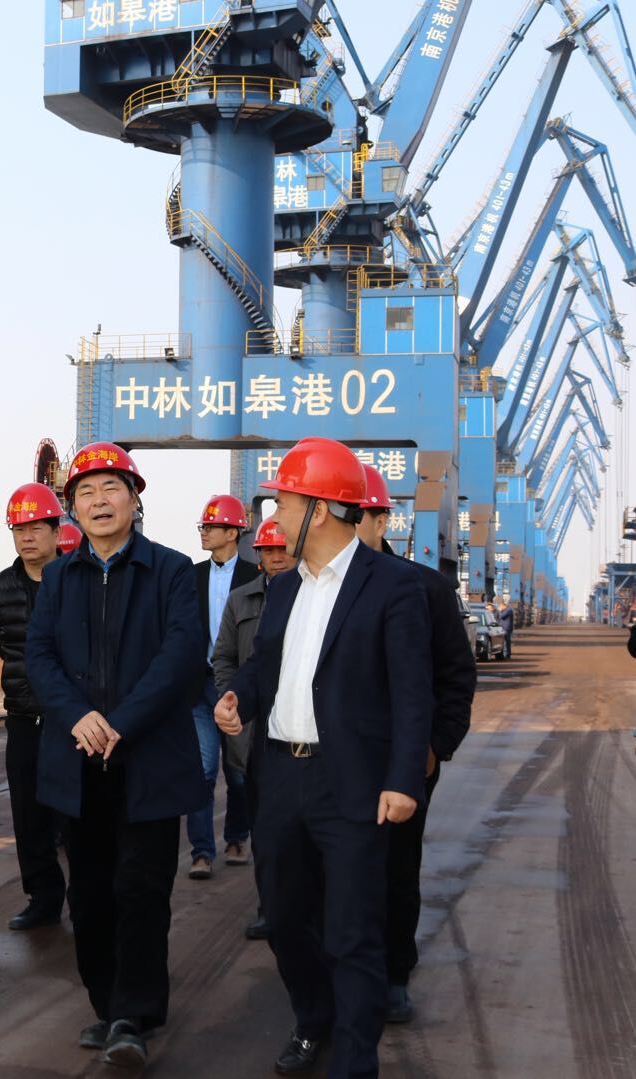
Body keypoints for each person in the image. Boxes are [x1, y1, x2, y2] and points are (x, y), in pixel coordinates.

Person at [215, 436, 432, 1078]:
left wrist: (403, 780)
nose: (274, 516)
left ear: (321, 508)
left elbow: (412, 692)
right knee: (284, 920)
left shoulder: (393, 585)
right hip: (281, 778)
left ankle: (354, 1062)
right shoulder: (283, 589)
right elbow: (264, 666)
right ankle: (314, 1021)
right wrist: (239, 697)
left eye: (284, 501)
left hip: (353, 784)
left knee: (352, 931)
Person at [26, 441, 206, 1068]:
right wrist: (78, 717)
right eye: (85, 492)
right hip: (79, 761)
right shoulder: (58, 578)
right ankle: (106, 1005)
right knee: (90, 893)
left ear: (135, 499)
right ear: (72, 507)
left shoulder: (172, 571)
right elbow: (39, 657)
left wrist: (121, 722)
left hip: (148, 760)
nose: (99, 501)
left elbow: (181, 655)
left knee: (142, 890)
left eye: (111, 489)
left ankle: (134, 1013)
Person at [354, 466, 475, 1023]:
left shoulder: (425, 589)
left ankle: (393, 974)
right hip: (333, 760)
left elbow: (456, 676)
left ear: (382, 520)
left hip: (401, 761)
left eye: (358, 515)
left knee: (396, 870)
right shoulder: (309, 587)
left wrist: (434, 747)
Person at [0, 482, 68, 931]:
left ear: (57, 531)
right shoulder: (2, 587)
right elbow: (2, 642)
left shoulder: (76, 578)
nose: (27, 537)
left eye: (36, 527)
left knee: (76, 813)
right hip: (22, 716)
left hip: (71, 719)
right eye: (19, 529)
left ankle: (88, 897)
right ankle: (43, 898)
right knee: (28, 814)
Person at [211, 515, 295, 940]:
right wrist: (233, 700)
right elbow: (224, 657)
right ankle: (269, 907)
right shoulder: (240, 600)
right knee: (265, 827)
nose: (277, 557)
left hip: (297, 729)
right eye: (268, 550)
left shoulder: (312, 597)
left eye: (283, 548)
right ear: (258, 554)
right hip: (252, 731)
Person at [188, 494, 260, 879]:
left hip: (236, 686)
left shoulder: (253, 577)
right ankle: (202, 851)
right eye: (203, 526)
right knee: (201, 770)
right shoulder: (191, 576)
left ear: (233, 532)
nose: (204, 532)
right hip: (199, 687)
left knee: (238, 771)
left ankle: (236, 838)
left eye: (212, 527)